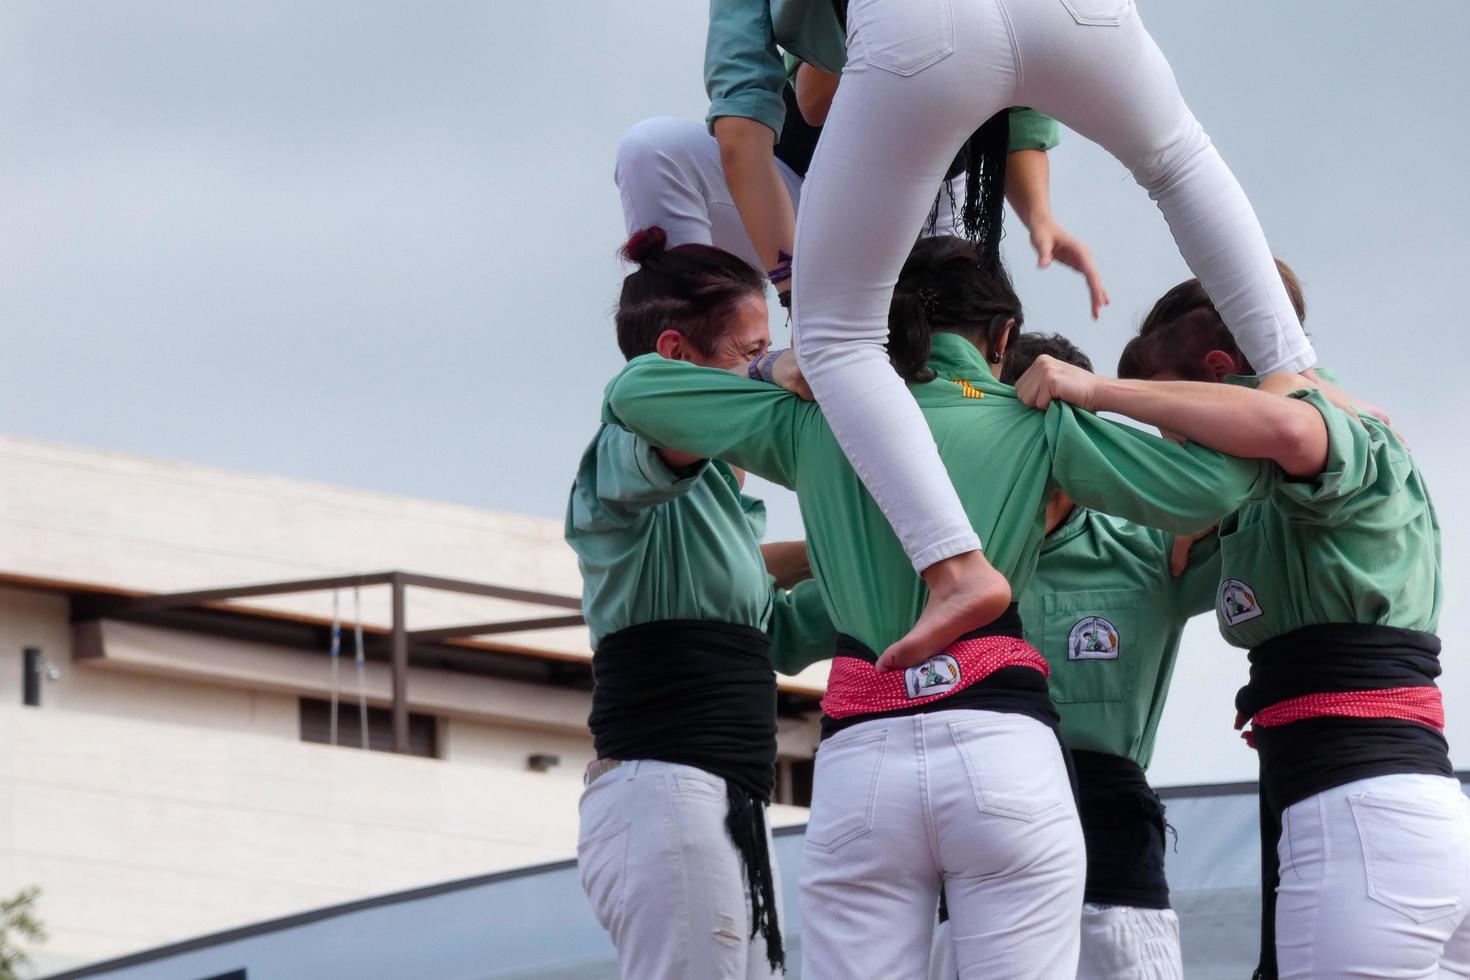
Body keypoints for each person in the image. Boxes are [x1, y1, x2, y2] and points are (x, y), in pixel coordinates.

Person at [600, 233, 1290, 978]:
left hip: (861, 753)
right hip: (1000, 745)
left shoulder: (817, 419)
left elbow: (635, 393)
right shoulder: (1036, 423)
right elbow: (1220, 484)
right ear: (1001, 340)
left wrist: (779, 366)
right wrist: (1099, 394)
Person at [704, 0, 1377, 673]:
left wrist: (803, 305)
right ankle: (1295, 372)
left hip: (918, 23)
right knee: (1179, 161)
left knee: (835, 341)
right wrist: (1040, 215)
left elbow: (756, 126)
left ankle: (956, 567)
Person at [1013, 264, 1470, 979]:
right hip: (1362, 808)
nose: (1173, 446)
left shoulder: (1343, 438)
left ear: (1222, 374)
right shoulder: (1259, 501)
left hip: (1362, 810)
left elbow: (1288, 423)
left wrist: (1095, 391)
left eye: (1172, 422)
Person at [566, 227, 837, 978]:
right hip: (667, 785)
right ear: (679, 355)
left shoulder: (721, 500)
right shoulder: (622, 451)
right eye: (749, 352)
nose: (767, 366)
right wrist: (773, 378)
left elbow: (772, 630)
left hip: (727, 797)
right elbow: (663, 425)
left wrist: (872, 558)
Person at [927, 331, 1218, 980]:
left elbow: (1251, 478)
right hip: (979, 838)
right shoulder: (938, 556)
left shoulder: (1152, 545)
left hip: (1113, 850)